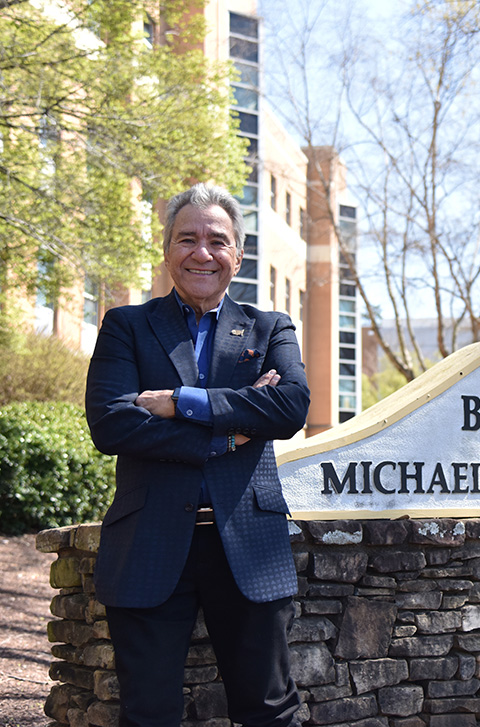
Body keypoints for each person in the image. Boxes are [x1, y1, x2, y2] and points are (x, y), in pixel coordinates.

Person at [85, 183, 310, 727]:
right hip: (149, 542)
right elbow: (112, 422)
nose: (201, 253)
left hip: (249, 546)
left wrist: (179, 402)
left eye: (217, 240)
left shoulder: (269, 327)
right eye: (187, 239)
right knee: (149, 714)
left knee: (270, 712)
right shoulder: (126, 326)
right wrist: (229, 431)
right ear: (167, 251)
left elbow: (289, 407)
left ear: (238, 253)